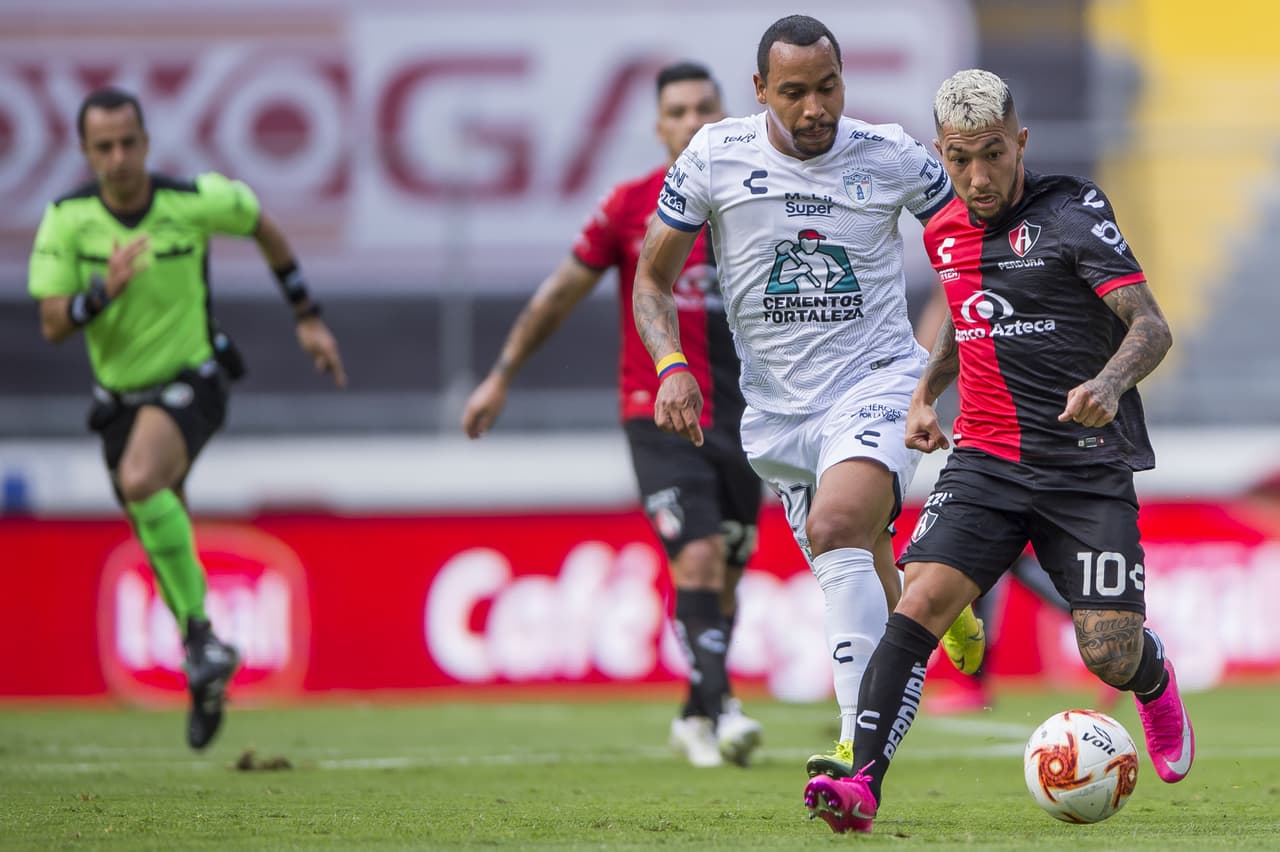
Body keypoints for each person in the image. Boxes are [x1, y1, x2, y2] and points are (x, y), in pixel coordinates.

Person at [804, 68, 1193, 835]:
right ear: (942, 154)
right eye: (958, 159)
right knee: (914, 607)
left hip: (1084, 465)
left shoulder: (1076, 213)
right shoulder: (945, 228)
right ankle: (863, 785)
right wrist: (924, 395)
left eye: (991, 155)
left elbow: (1150, 326)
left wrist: (1110, 385)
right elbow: (966, 312)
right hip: (985, 460)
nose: (977, 178)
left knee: (1107, 652)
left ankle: (1152, 682)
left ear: (1020, 143)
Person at [631, 15, 984, 780]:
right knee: (861, 559)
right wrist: (670, 364)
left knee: (837, 526)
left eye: (828, 88)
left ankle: (859, 756)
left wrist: (940, 375)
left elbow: (968, 251)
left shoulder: (888, 154)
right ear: (760, 91)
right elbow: (652, 280)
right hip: (780, 421)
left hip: (880, 380)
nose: (815, 107)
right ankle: (941, 604)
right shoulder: (713, 159)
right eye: (794, 93)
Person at [461, 62, 764, 768]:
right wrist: (501, 376)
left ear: (723, 117)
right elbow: (557, 296)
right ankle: (723, 710)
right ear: (660, 126)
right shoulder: (629, 206)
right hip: (656, 410)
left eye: (703, 109)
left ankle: (696, 710)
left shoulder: (756, 200)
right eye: (677, 111)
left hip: (747, 417)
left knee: (726, 574)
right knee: (697, 554)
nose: (691, 122)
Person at [28, 87, 346, 751]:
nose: (117, 157)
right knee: (157, 513)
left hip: (194, 381)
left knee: (141, 479)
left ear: (146, 143)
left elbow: (263, 223)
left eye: (127, 142)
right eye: (102, 147)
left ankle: (200, 642)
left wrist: (307, 315)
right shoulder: (66, 221)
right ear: (86, 153)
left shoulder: (194, 202)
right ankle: (203, 657)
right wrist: (99, 293)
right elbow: (54, 324)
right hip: (118, 401)